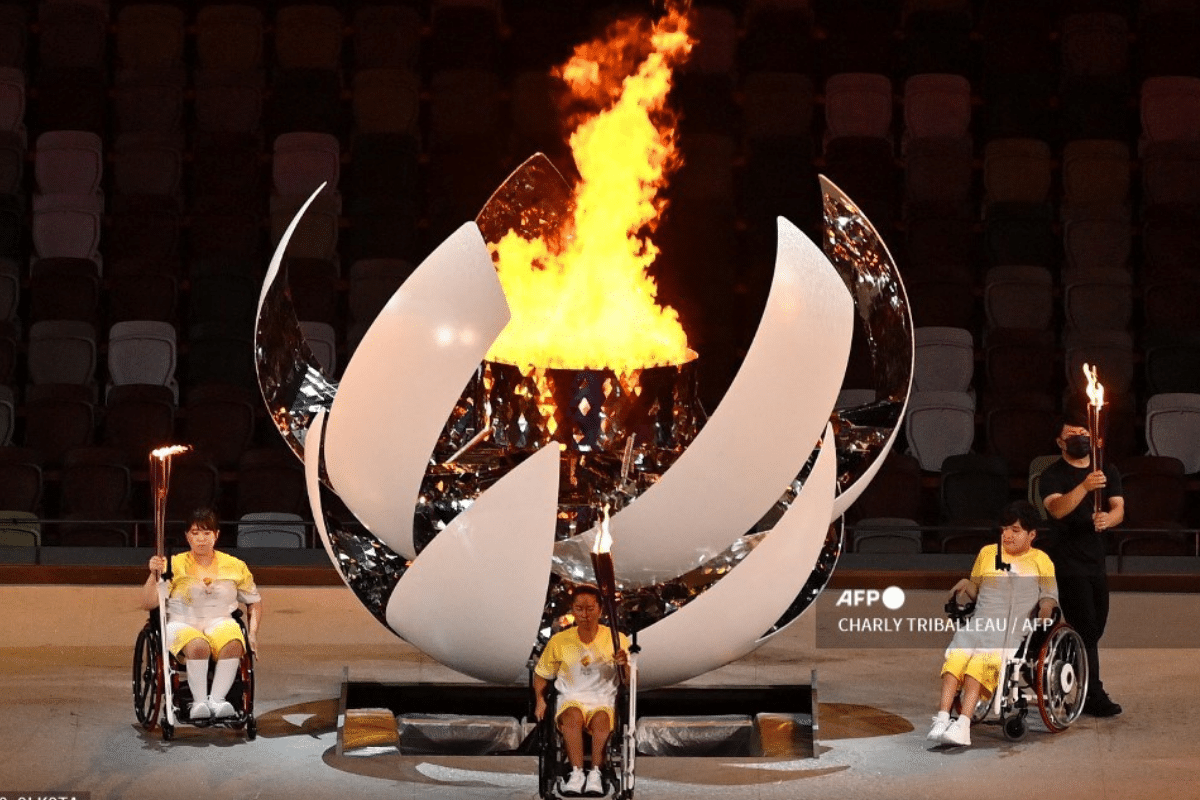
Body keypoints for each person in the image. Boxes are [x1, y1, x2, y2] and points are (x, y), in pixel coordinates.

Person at [928, 501, 1058, 746]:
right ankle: (943, 717)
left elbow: (1050, 594)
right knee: (954, 660)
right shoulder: (988, 553)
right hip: (980, 622)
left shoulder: (1041, 560)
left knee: (978, 664)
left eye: (1015, 530)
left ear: (1032, 535)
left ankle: (964, 724)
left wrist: (1046, 607)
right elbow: (977, 589)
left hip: (1010, 630)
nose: (1007, 535)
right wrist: (966, 585)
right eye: (1004, 529)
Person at [1038, 413, 1124, 717]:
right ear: (1061, 442)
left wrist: (1107, 519)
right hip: (1067, 561)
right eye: (1072, 433)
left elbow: (1119, 509)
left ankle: (1064, 666)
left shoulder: (1106, 470)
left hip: (1096, 561)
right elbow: (1057, 509)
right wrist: (1085, 487)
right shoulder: (1051, 475)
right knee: (1086, 628)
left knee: (1095, 627)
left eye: (1084, 432)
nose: (1079, 437)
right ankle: (1092, 694)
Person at [142, 507, 262, 721]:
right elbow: (149, 602)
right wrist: (153, 574)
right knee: (199, 646)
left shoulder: (235, 565)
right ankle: (199, 703)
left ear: (216, 535)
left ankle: (217, 700)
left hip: (220, 620)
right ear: (187, 536)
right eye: (195, 533)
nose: (201, 539)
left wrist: (252, 634)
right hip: (182, 622)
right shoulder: (174, 564)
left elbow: (255, 603)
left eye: (207, 533)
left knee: (235, 643)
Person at [533, 585, 630, 797]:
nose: (584, 615)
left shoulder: (617, 639)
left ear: (600, 610)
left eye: (590, 608)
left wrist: (623, 665)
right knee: (572, 717)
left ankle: (596, 773)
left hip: (602, 698)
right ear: (573, 610)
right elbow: (541, 673)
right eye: (579, 609)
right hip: (571, 697)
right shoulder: (559, 641)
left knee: (602, 720)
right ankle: (576, 773)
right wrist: (540, 699)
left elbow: (628, 680)